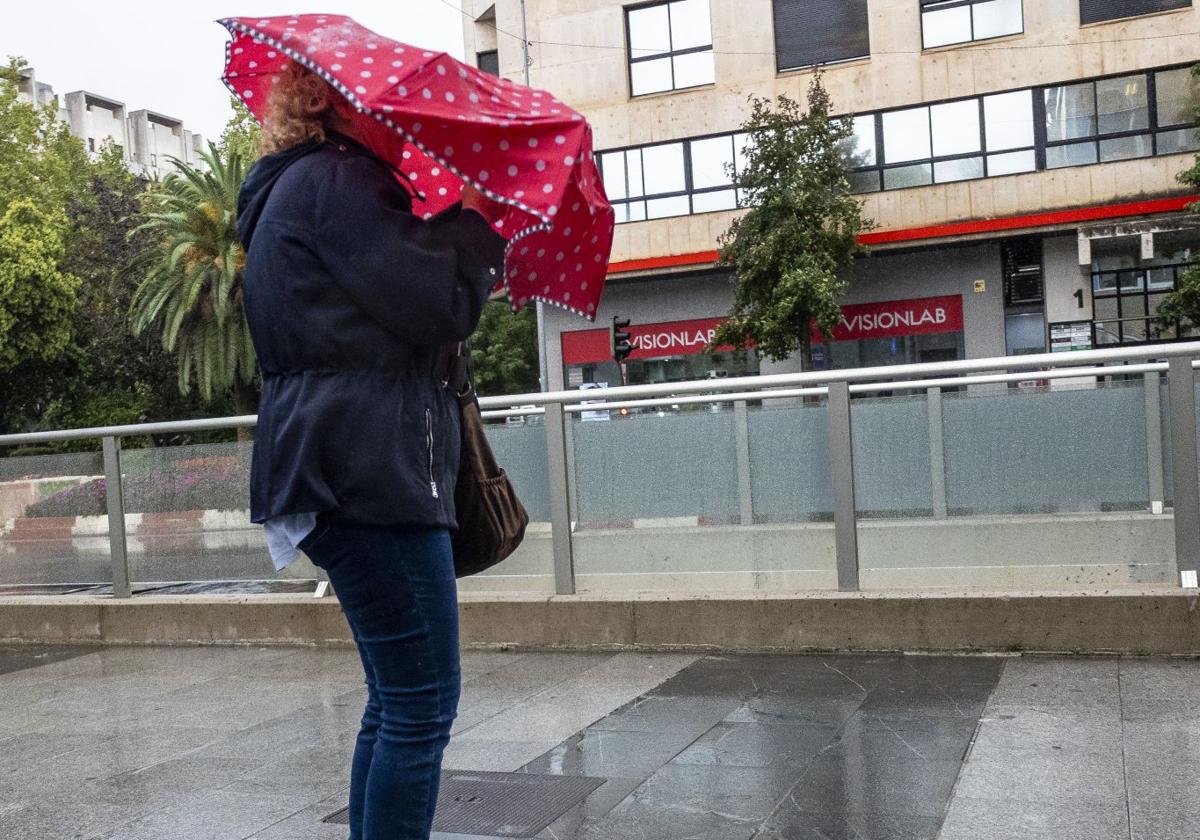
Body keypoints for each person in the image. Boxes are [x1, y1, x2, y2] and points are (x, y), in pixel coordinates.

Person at [236, 61, 507, 840]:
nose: (401, 117)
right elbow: (441, 305)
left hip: (335, 459)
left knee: (395, 699)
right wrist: (476, 216)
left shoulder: (302, 186)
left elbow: (385, 319)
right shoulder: (339, 183)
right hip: (367, 467)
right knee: (422, 704)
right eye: (384, 103)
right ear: (330, 103)